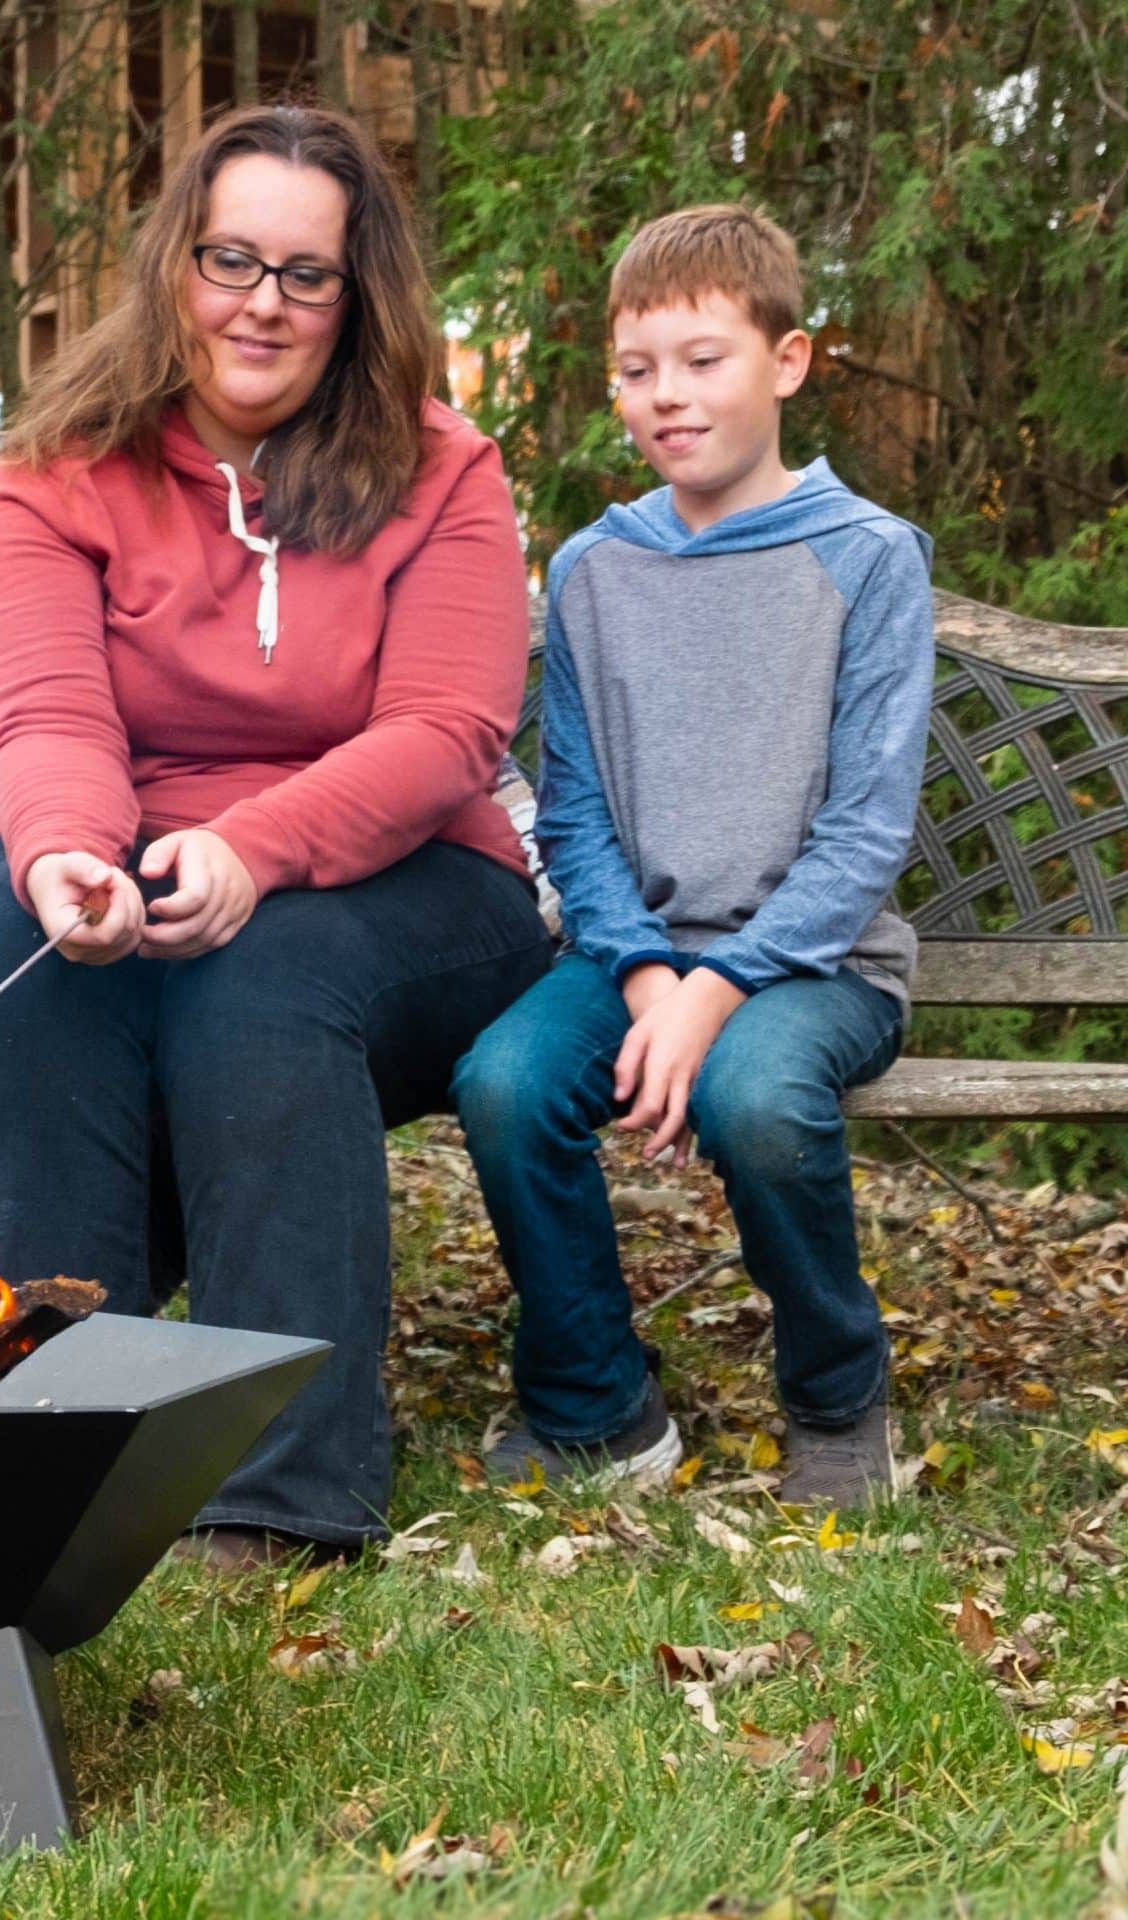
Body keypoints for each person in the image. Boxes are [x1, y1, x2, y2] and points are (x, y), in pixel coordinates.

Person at [0, 103, 550, 1564]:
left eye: (307, 272)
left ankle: (287, 1489)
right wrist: (70, 853)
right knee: (7, 927)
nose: (262, 302)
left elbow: (446, 731)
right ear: (173, 267)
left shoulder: (442, 470)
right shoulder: (51, 470)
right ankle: (49, 1433)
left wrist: (256, 849)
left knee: (259, 979)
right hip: (141, 857)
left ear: (356, 296)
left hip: (418, 885)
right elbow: (42, 717)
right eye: (231, 259)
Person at [451, 204, 936, 1509]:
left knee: (755, 1100)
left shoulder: (868, 558)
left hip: (818, 965)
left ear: (788, 361)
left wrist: (716, 996)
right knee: (503, 1083)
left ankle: (841, 1401)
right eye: (637, 369)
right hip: (636, 955)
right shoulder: (598, 572)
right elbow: (579, 815)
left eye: (703, 359)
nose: (667, 396)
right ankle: (598, 1406)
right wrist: (652, 976)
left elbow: (864, 831)